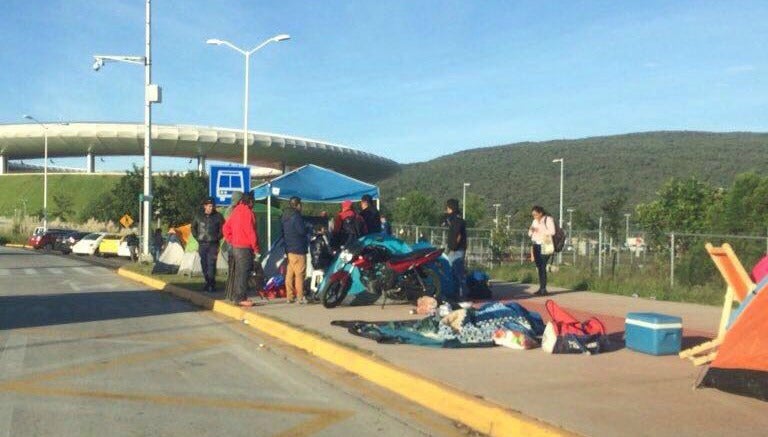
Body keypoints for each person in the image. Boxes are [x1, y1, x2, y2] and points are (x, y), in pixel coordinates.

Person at [223, 193, 260, 307]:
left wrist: (231, 239)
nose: (254, 204)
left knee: (239, 272)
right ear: (249, 201)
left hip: (236, 246)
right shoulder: (248, 213)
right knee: (244, 273)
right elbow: (251, 232)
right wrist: (256, 248)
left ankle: (236, 296)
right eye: (253, 201)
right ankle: (241, 298)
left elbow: (225, 228)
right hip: (245, 247)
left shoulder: (236, 211)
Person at [192, 197, 225, 293]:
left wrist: (217, 238)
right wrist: (197, 237)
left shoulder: (218, 216)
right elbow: (193, 227)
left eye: (212, 206)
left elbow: (223, 229)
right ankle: (207, 282)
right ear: (205, 206)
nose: (211, 208)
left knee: (211, 263)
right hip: (202, 243)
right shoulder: (198, 216)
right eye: (209, 206)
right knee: (204, 263)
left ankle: (211, 284)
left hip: (213, 244)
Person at [282, 196, 308, 304]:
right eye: (300, 204)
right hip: (298, 249)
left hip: (289, 249)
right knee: (299, 274)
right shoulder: (296, 216)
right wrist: (308, 228)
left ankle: (289, 296)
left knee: (289, 274)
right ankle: (300, 296)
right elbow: (301, 231)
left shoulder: (284, 216)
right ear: (297, 205)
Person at [443, 199, 468, 300]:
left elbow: (458, 235)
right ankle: (458, 293)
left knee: (457, 273)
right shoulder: (455, 219)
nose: (447, 210)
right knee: (454, 272)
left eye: (448, 208)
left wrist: (453, 247)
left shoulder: (457, 220)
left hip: (457, 250)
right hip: (456, 250)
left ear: (451, 208)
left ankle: (461, 295)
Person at [528, 205, 556, 296]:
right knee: (539, 266)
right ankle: (541, 288)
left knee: (543, 265)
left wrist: (540, 230)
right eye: (533, 215)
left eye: (535, 214)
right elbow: (529, 233)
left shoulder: (548, 219)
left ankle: (543, 289)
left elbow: (552, 231)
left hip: (545, 244)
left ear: (540, 213)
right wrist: (532, 230)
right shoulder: (534, 221)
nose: (534, 216)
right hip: (536, 244)